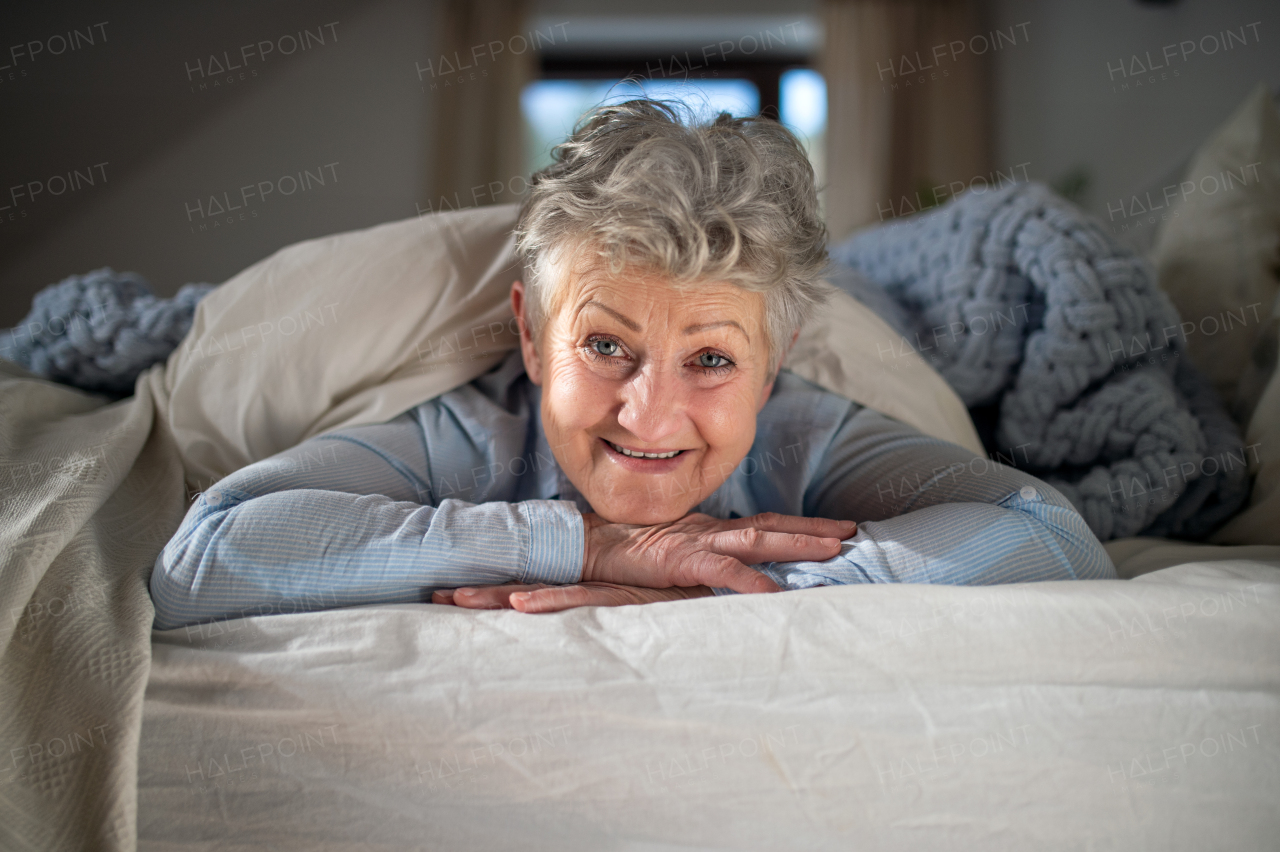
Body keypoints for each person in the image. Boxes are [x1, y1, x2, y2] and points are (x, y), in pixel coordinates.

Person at [149, 100, 1114, 630]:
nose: (650, 419)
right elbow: (206, 559)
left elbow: (1052, 535)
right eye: (606, 346)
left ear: (772, 363)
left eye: (711, 360)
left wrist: (714, 586)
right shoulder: (463, 432)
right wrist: (592, 548)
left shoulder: (809, 435)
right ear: (531, 336)